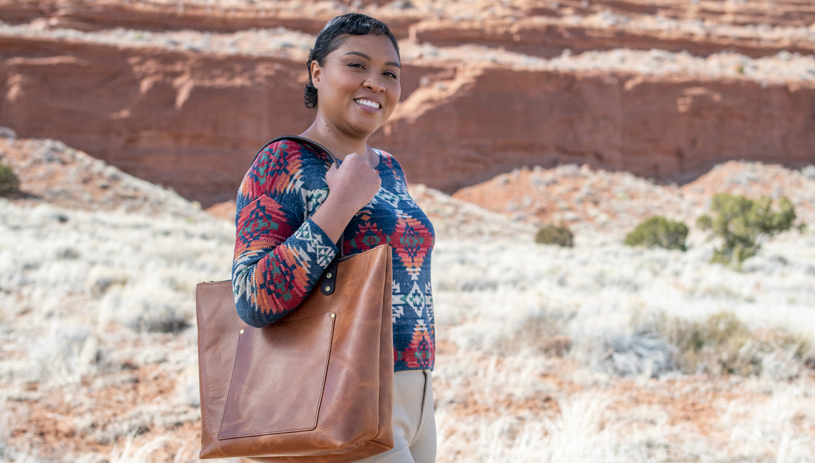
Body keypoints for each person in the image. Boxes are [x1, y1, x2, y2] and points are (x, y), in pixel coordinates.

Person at [230, 13, 437, 463]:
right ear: (317, 72)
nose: (375, 83)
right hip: (340, 393)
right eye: (357, 66)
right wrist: (339, 205)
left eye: (390, 73)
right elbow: (251, 297)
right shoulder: (282, 161)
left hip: (415, 392)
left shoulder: (390, 167)